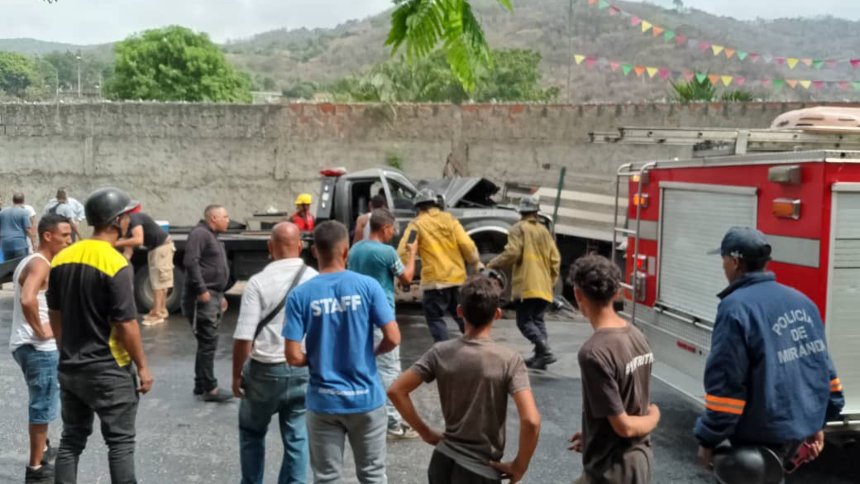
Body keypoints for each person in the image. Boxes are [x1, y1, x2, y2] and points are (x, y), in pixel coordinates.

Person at [694, 227, 845, 482]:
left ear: (735, 261)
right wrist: (819, 422)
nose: (724, 268)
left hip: (756, 443)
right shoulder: (802, 302)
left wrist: (709, 437)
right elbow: (820, 367)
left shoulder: (735, 308)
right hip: (794, 436)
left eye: (723, 261)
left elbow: (727, 385)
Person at [387, 275, 541, 484]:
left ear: (460, 312)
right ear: (497, 314)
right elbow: (531, 421)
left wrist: (426, 433)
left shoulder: (440, 352)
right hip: (480, 471)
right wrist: (519, 466)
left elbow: (396, 390)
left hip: (442, 462)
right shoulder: (509, 360)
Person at [47, 187, 154, 484]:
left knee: (71, 441)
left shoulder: (62, 258)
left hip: (71, 367)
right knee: (120, 443)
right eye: (127, 216)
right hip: (109, 369)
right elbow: (126, 324)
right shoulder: (116, 263)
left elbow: (54, 312)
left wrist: (64, 346)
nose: (130, 222)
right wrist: (143, 366)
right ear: (116, 220)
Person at [284, 221, 401, 484]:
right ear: (346, 252)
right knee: (373, 476)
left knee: (327, 478)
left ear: (314, 251)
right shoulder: (368, 287)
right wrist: (372, 352)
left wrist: (314, 359)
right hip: (367, 400)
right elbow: (393, 337)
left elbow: (292, 356)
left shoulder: (300, 295)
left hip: (323, 401)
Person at [232, 222, 318, 484]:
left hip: (264, 371)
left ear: (270, 248)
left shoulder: (258, 282)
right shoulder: (315, 279)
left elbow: (244, 336)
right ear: (300, 246)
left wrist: (237, 376)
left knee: (251, 432)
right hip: (304, 367)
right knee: (297, 436)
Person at [567, 254, 659, 484]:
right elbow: (631, 401)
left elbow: (625, 427)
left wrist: (655, 417)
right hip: (638, 461)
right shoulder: (637, 335)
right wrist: (593, 434)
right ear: (616, 292)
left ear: (578, 295)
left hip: (612, 470)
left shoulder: (593, 353)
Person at [9, 214, 72, 483]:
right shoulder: (40, 264)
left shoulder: (32, 259)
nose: (69, 240)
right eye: (65, 235)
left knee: (42, 399)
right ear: (48, 236)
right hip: (38, 348)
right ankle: (36, 469)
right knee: (43, 405)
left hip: (28, 346)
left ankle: (44, 447)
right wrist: (41, 330)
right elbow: (27, 299)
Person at [348, 209, 419, 439]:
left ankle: (364, 414)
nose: (393, 233)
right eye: (392, 229)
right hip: (382, 317)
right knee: (389, 368)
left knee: (366, 365)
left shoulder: (356, 248)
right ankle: (392, 422)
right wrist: (412, 255)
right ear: (385, 228)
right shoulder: (387, 252)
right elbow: (406, 278)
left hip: (359, 317)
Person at [487, 193, 561, 369]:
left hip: (527, 285)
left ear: (521, 212)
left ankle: (546, 351)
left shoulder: (518, 228)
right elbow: (555, 260)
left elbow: (512, 253)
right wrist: (549, 282)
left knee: (524, 321)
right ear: (536, 212)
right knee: (537, 320)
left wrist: (492, 264)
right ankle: (540, 357)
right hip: (543, 286)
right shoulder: (544, 231)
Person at [397, 188, 481, 342]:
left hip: (435, 282)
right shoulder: (450, 219)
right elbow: (466, 245)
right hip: (457, 279)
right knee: (462, 316)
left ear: (418, 207)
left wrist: (402, 273)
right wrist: (475, 262)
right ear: (436, 204)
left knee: (435, 319)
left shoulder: (417, 224)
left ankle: (444, 354)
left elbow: (405, 250)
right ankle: (477, 345)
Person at [183, 204, 233, 402]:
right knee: (208, 342)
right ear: (213, 218)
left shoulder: (211, 235)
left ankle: (200, 383)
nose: (228, 220)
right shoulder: (200, 234)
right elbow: (190, 262)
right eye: (225, 216)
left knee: (206, 342)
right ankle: (210, 388)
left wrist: (221, 294)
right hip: (204, 297)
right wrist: (202, 289)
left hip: (214, 294)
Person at [114, 206, 175, 325]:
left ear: (122, 218)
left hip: (162, 247)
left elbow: (138, 240)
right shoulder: (128, 228)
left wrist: (115, 243)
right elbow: (128, 252)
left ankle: (157, 315)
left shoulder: (134, 219)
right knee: (158, 281)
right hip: (155, 248)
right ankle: (161, 310)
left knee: (158, 282)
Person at [0, 192, 35, 260]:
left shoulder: (2, 212)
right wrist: (33, 244)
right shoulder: (24, 212)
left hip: (6, 244)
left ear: (13, 200)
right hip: (19, 244)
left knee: (8, 268)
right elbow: (28, 229)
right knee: (20, 266)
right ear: (23, 201)